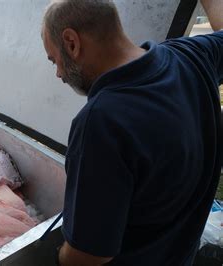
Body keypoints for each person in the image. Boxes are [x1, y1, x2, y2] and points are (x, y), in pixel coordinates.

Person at [41, 0, 222, 265]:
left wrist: (59, 257)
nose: (58, 73)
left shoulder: (102, 123)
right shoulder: (189, 56)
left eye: (53, 60)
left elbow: (89, 255)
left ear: (71, 43)